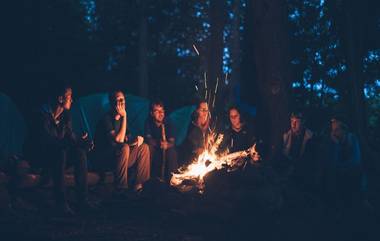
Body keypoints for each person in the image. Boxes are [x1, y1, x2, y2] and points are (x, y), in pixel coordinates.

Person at [24, 85, 93, 215]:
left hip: (58, 157)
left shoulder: (65, 116)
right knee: (60, 151)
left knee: (79, 153)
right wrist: (67, 143)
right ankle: (61, 203)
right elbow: (46, 142)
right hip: (40, 158)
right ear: (60, 99)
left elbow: (70, 137)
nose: (71, 100)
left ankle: (83, 200)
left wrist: (82, 142)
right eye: (69, 97)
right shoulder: (41, 115)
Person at [93, 90, 150, 193]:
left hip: (120, 158)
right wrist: (125, 116)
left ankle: (138, 186)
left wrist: (136, 140)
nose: (121, 102)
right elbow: (119, 140)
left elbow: (126, 139)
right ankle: (121, 188)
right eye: (118, 100)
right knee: (124, 148)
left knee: (144, 147)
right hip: (106, 159)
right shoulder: (106, 119)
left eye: (122, 99)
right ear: (112, 104)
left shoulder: (122, 120)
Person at [320, 116, 363, 208]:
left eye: (336, 130)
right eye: (332, 130)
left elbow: (355, 161)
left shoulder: (352, 139)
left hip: (351, 176)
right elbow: (330, 163)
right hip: (338, 176)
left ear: (344, 130)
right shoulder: (333, 142)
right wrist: (336, 146)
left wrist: (338, 167)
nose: (333, 133)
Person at [144, 100, 178, 182]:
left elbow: (172, 142)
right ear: (151, 113)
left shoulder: (168, 122)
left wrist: (167, 145)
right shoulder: (148, 122)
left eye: (162, 111)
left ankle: (172, 180)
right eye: (157, 111)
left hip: (166, 149)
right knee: (148, 148)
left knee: (172, 152)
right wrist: (159, 143)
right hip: (155, 148)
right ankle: (149, 179)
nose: (161, 113)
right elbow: (148, 139)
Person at [181, 100, 211, 165]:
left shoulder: (209, 129)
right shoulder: (192, 129)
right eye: (203, 110)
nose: (205, 113)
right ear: (197, 111)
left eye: (206, 110)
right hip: (192, 164)